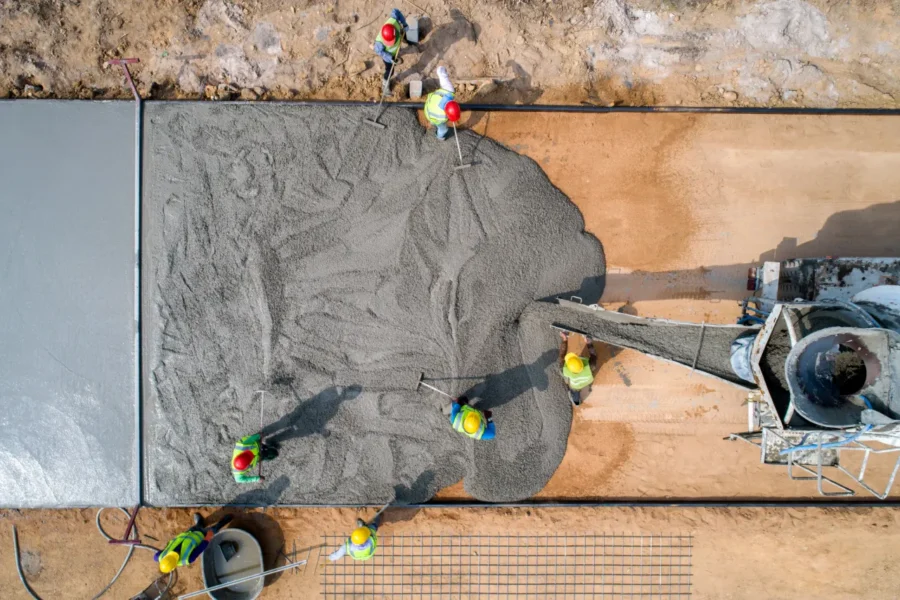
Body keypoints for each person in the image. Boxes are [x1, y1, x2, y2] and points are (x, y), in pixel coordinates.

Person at [155, 513, 233, 574]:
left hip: (188, 534)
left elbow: (156, 557)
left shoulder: (160, 556)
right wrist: (208, 537)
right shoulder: (188, 558)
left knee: (196, 527)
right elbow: (201, 547)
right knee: (214, 529)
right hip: (201, 536)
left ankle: (200, 523)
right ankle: (225, 521)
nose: (175, 552)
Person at [374, 8, 419, 94]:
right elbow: (379, 52)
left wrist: (404, 24)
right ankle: (385, 84)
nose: (391, 43)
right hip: (389, 56)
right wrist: (390, 58)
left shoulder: (393, 20)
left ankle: (408, 41)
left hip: (398, 36)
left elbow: (396, 11)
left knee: (403, 34)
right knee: (390, 70)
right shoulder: (379, 43)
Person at [559, 331, 597, 406]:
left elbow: (562, 355)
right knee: (592, 366)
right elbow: (593, 355)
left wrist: (565, 340)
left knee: (574, 391)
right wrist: (589, 343)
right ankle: (576, 401)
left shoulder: (565, 370)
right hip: (586, 380)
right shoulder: (589, 367)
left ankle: (576, 402)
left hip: (576, 385)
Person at [424, 66, 459, 140]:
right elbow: (443, 119)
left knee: (449, 88)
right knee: (443, 129)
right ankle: (440, 137)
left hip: (428, 110)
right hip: (433, 116)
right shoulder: (443, 117)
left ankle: (431, 123)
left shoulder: (449, 93)